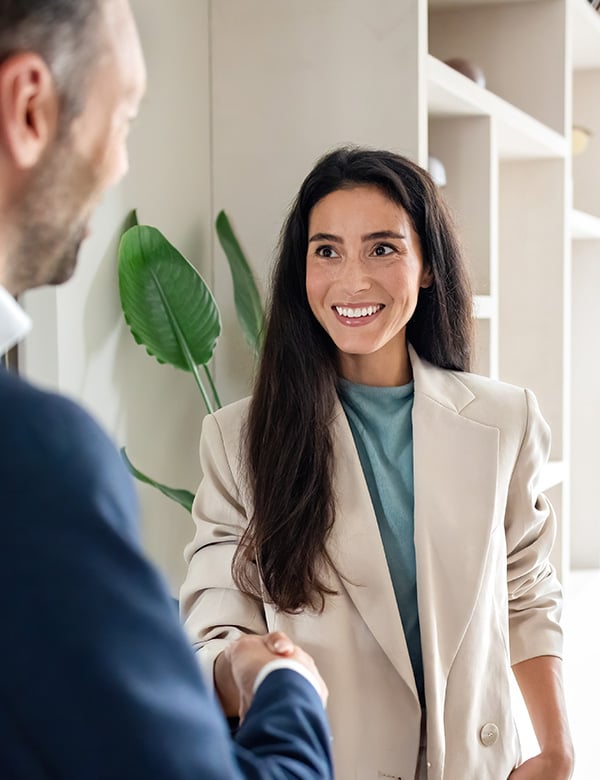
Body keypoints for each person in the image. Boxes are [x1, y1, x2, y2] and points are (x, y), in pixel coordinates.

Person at [0, 1, 334, 778]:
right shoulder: (32, 459)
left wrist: (208, 678)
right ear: (28, 108)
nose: (120, 164)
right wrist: (290, 691)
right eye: (125, 117)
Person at [181, 147, 575, 780]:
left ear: (425, 267)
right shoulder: (238, 440)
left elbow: (525, 588)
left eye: (383, 248)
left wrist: (557, 747)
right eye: (327, 251)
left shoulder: (505, 420)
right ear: (301, 271)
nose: (353, 280)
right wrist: (248, 661)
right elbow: (214, 625)